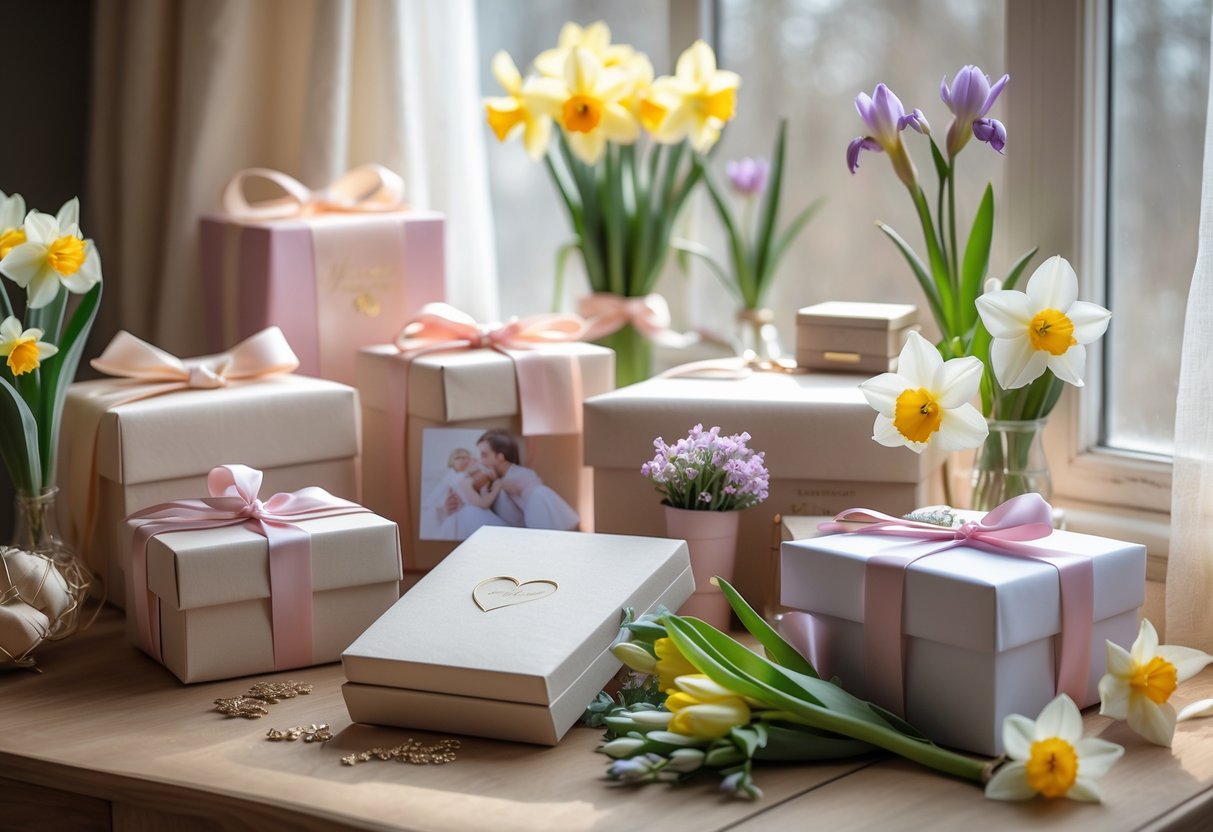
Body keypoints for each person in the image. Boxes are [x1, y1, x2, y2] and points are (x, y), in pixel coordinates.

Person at [476, 429, 579, 531]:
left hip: (532, 531)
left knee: (539, 492)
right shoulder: (489, 481)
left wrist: (503, 484)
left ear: (500, 457)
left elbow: (536, 505)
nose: (481, 461)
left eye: (484, 455)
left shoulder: (524, 475)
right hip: (510, 533)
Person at [424, 448, 506, 540]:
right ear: (451, 462)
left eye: (466, 457)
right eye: (458, 458)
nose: (463, 460)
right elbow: (433, 499)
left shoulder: (472, 475)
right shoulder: (451, 477)